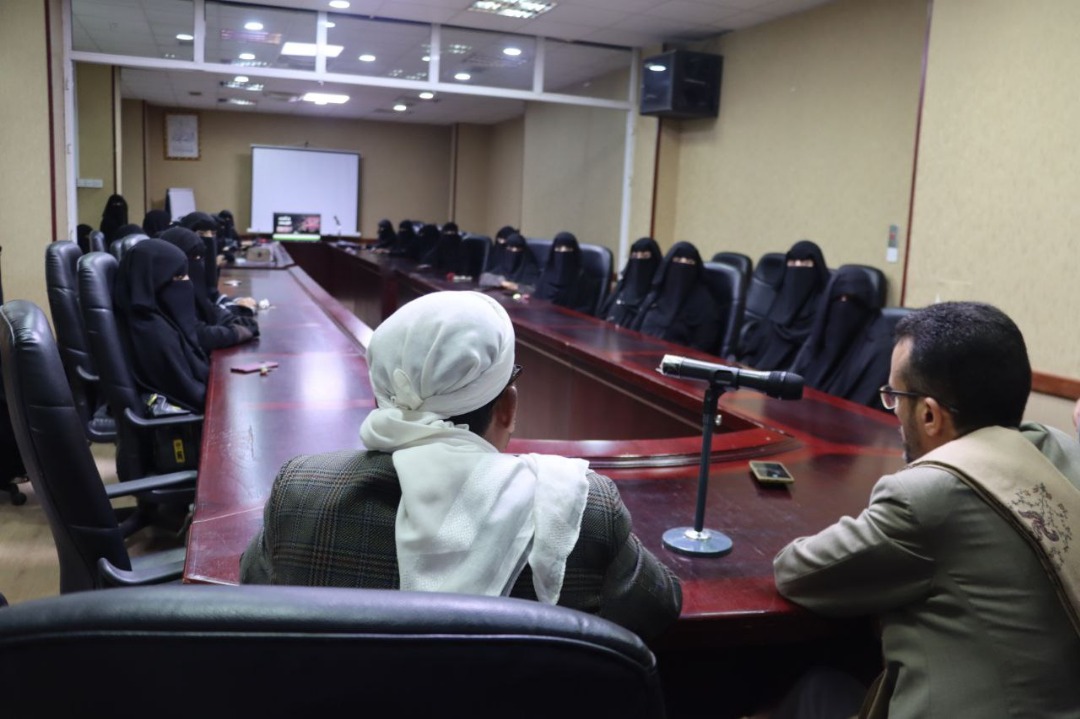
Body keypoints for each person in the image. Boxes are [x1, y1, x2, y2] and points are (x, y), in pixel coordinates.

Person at [240, 291, 682, 641]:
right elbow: (660, 608)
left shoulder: (302, 492)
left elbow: (253, 592)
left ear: (381, 398)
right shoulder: (580, 507)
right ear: (507, 408)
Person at [773, 301, 1080, 718]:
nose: (895, 410)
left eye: (894, 396)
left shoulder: (925, 494)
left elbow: (798, 574)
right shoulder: (1064, 451)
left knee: (811, 690)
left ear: (930, 415)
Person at [113, 238, 209, 412]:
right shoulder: (153, 333)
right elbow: (194, 395)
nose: (188, 282)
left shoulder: (157, 319)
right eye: (179, 276)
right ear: (154, 281)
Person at [789, 266, 891, 409]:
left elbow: (863, 410)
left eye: (853, 301)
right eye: (838, 299)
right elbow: (791, 381)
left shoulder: (880, 351)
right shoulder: (820, 336)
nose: (843, 307)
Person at [159, 227, 258, 352]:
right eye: (194, 258)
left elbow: (210, 309)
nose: (199, 264)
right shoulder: (165, 291)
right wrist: (238, 332)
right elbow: (196, 334)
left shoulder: (188, 283)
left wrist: (241, 322)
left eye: (200, 258)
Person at [738, 240, 829, 370]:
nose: (797, 267)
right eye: (792, 262)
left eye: (805, 263)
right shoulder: (782, 300)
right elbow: (758, 342)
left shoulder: (823, 309)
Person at [633, 241, 721, 353]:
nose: (682, 267)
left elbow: (702, 347)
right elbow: (635, 330)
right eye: (677, 260)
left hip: (673, 361)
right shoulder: (656, 295)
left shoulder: (705, 306)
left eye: (689, 262)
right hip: (637, 354)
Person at [601, 237, 662, 328]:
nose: (639, 260)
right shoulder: (621, 289)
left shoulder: (658, 296)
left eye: (645, 256)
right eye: (634, 256)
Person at [534, 231, 601, 315]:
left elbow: (585, 310)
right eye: (559, 248)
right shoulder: (545, 276)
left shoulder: (582, 279)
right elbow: (536, 302)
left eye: (568, 248)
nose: (563, 251)